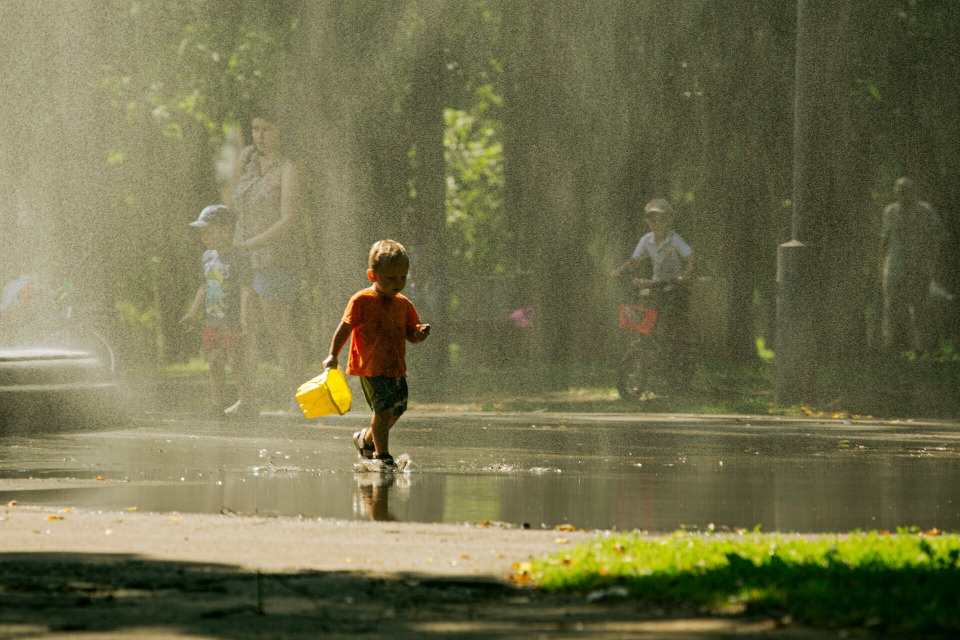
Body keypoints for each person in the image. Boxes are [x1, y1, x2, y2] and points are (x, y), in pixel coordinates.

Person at [322, 240, 431, 467]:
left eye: (403, 278)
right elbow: (344, 328)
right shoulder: (362, 300)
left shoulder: (403, 304)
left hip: (395, 367)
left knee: (396, 410)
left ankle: (365, 440)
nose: (398, 284)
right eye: (391, 278)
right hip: (370, 367)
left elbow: (410, 335)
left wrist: (419, 334)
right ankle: (383, 456)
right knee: (382, 409)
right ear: (372, 276)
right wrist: (333, 355)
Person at [227, 103, 305, 409]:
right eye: (255, 128)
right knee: (242, 329)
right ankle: (247, 399)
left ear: (281, 131)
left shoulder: (289, 169)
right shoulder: (247, 158)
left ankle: (301, 398)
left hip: (275, 259)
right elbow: (233, 199)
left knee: (279, 330)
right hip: (242, 258)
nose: (259, 136)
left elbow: (289, 220)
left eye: (267, 129)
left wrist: (251, 243)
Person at [180, 205, 255, 418]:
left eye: (209, 231)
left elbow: (245, 290)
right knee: (214, 361)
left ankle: (247, 401)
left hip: (232, 320)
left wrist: (244, 318)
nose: (204, 237)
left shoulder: (239, 257)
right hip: (212, 319)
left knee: (236, 361)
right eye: (202, 232)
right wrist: (193, 314)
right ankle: (217, 404)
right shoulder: (207, 257)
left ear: (226, 231)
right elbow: (203, 287)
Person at [879, 177, 944, 354]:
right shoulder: (890, 212)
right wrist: (881, 267)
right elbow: (884, 241)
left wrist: (933, 264)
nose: (904, 196)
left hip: (919, 266)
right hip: (896, 267)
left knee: (920, 308)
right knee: (892, 307)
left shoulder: (926, 212)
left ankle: (922, 348)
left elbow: (936, 240)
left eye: (907, 192)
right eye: (900, 192)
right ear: (895, 194)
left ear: (914, 193)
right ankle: (892, 347)